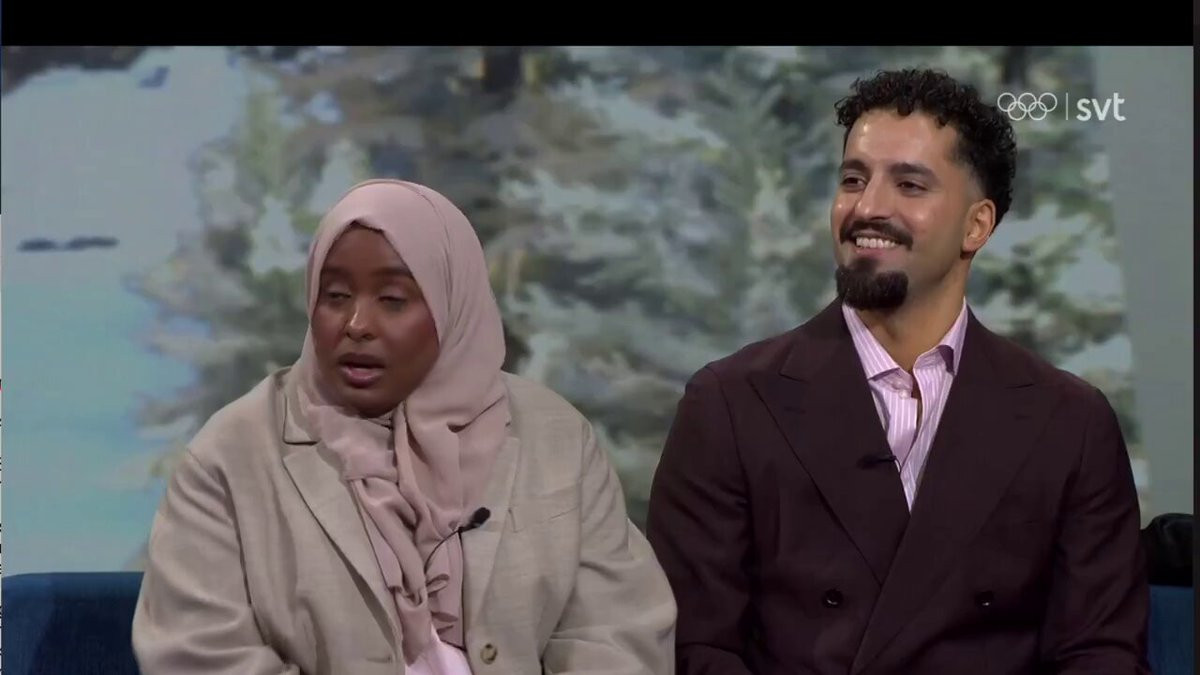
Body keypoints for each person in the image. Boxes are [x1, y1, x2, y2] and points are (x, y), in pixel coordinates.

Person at [645, 68, 1149, 674]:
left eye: (909, 185)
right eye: (853, 179)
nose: (867, 208)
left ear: (976, 226)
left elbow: (1099, 652)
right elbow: (696, 646)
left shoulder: (1069, 422)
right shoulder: (730, 403)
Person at [132, 179, 676, 674]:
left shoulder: (556, 436)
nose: (357, 325)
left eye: (392, 300)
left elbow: (619, 634)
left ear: (452, 307)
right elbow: (199, 657)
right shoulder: (230, 456)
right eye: (335, 296)